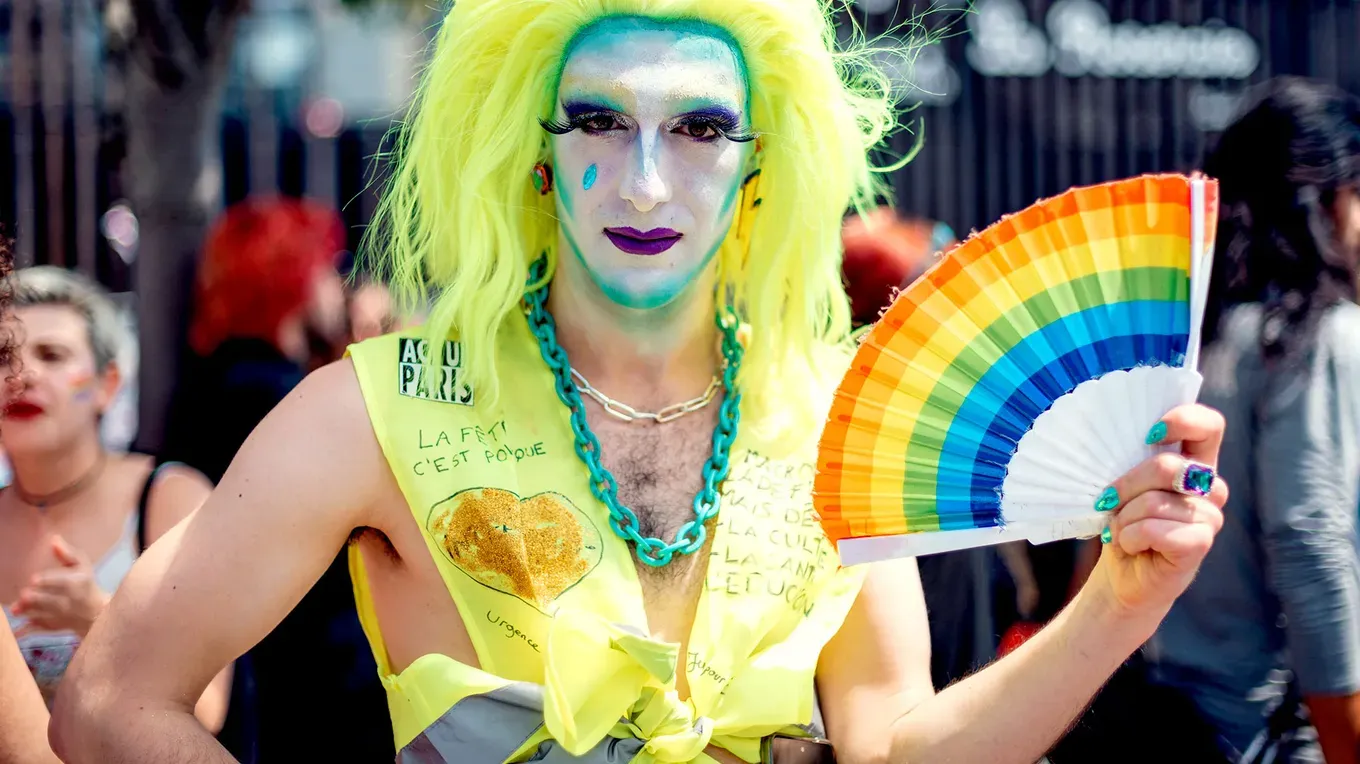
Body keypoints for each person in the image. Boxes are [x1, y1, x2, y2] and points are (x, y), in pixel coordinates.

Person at [51, 3, 1227, 762]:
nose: (647, 183)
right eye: (601, 122)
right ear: (535, 148)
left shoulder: (833, 416)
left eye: (702, 128)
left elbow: (895, 747)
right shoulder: (376, 408)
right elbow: (109, 700)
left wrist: (1118, 601)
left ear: (763, 166)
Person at [1144, 77, 1360, 764]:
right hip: (1269, 725)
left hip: (1164, 708)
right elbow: (1309, 541)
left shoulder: (1182, 336)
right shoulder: (1314, 335)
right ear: (1327, 199)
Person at [160, 197, 392, 762]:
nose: (335, 282)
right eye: (324, 265)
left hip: (259, 667)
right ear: (288, 275)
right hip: (315, 678)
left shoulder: (210, 381)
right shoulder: (276, 390)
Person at [0, 267, 230, 727]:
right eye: (4, 357)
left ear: (107, 385)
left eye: (52, 354)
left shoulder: (168, 497)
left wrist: (97, 617)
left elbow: (207, 709)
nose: (22, 375)